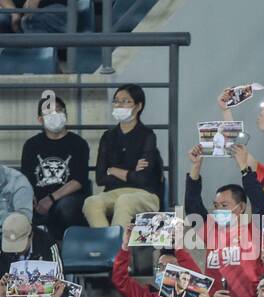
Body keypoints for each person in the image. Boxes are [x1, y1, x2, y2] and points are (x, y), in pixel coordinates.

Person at [184, 142, 264, 297]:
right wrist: (196, 166)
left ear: (241, 207)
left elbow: (259, 201)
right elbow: (192, 205)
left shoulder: (255, 228)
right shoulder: (211, 229)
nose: (218, 210)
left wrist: (244, 167)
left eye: (224, 205)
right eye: (215, 205)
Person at [83, 84, 164, 229]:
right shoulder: (108, 137)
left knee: (124, 200)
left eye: (126, 101)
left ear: (138, 106)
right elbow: (100, 178)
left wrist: (113, 170)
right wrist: (132, 170)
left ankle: (116, 248)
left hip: (145, 194)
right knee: (91, 202)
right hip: (112, 192)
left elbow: (143, 179)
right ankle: (108, 244)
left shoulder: (147, 135)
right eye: (116, 101)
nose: (119, 105)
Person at [21, 95, 90, 243]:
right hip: (38, 201)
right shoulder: (31, 145)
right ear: (40, 119)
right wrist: (30, 199)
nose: (55, 115)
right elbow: (25, 179)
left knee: (66, 207)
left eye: (59, 111)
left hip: (68, 199)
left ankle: (67, 247)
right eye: (49, 113)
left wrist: (51, 199)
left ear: (65, 115)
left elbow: (79, 180)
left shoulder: (78, 143)